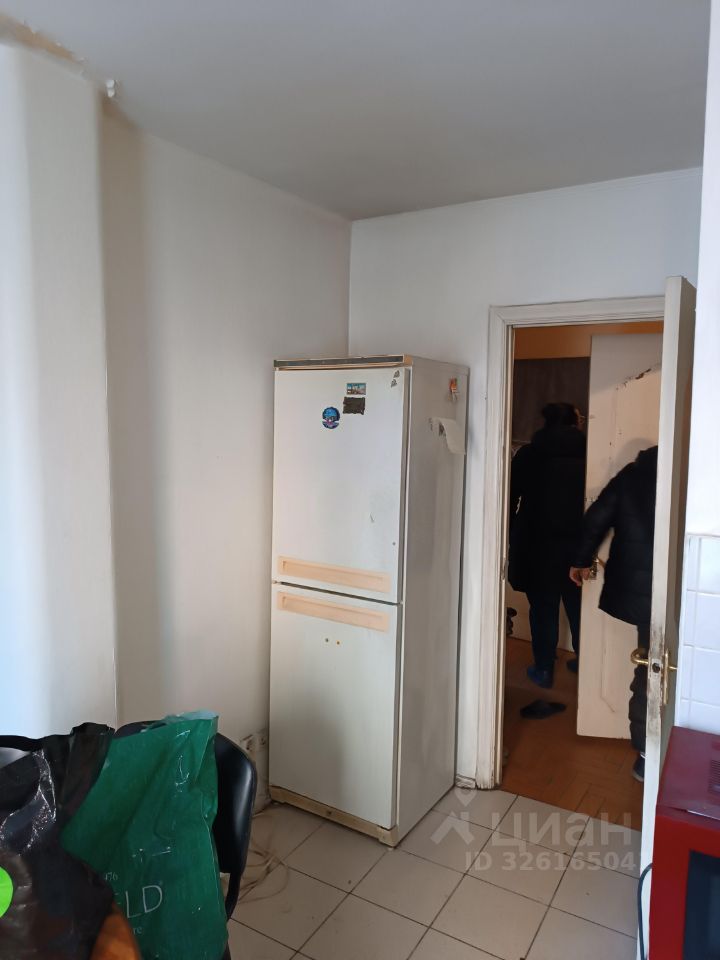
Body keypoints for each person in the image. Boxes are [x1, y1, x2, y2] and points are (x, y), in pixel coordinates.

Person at [569, 445, 658, 782]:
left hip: (640, 590)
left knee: (650, 669)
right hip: (688, 592)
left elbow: (596, 519)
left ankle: (646, 756)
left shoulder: (631, 477)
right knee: (676, 671)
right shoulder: (694, 478)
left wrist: (580, 560)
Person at [508, 402, 587, 689]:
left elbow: (510, 496)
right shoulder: (590, 454)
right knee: (579, 609)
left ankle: (543, 669)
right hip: (577, 546)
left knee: (543, 609)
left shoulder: (529, 454)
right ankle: (586, 665)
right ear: (575, 422)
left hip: (536, 545)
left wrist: (509, 535)